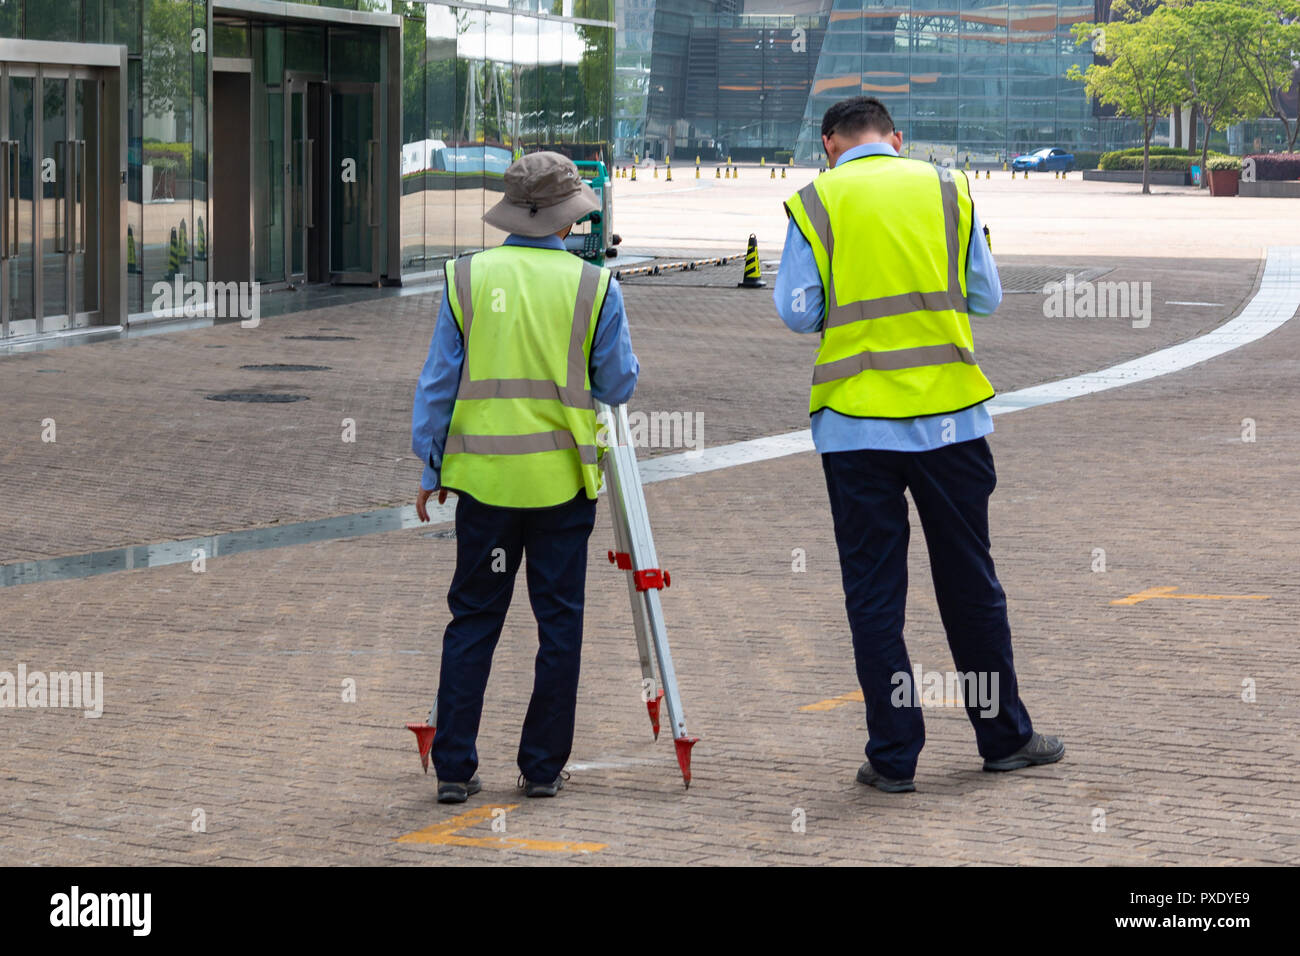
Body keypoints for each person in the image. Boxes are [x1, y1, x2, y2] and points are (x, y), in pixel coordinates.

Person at [775, 96, 1064, 793]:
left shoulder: (813, 201)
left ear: (830, 145)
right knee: (970, 581)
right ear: (896, 140)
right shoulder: (949, 187)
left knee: (874, 593)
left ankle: (894, 755)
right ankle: (1003, 738)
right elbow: (986, 296)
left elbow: (797, 311)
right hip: (952, 421)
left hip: (854, 423)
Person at [411, 151, 639, 804]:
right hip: (562, 485)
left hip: (483, 484)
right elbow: (618, 383)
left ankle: (454, 766)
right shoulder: (595, 288)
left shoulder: (465, 280)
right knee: (558, 624)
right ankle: (541, 768)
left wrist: (432, 466)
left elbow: (438, 385)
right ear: (571, 218)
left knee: (474, 619)